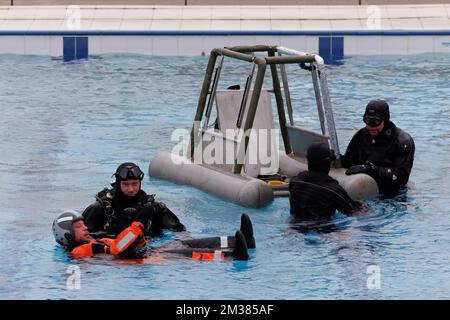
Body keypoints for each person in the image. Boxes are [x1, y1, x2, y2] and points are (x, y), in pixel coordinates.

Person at [53, 210, 254, 261]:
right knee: (187, 254)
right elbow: (116, 249)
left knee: (187, 243)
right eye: (78, 227)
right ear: (67, 235)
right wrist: (137, 225)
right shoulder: (82, 250)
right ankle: (232, 256)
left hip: (146, 252)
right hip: (146, 260)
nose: (85, 227)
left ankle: (237, 239)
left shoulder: (92, 239)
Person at [82, 162, 185, 238]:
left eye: (135, 184)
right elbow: (80, 238)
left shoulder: (153, 207)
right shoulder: (99, 209)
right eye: (126, 184)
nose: (131, 189)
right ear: (118, 184)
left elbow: (181, 233)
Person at [342, 100, 415, 197]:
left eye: (375, 122)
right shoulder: (361, 136)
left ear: (385, 119)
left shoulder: (402, 141)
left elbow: (400, 178)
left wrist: (369, 169)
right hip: (365, 188)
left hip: (395, 194)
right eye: (367, 121)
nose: (371, 127)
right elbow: (350, 164)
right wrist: (334, 158)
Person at [289, 142, 360, 220]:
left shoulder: (295, 182)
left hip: (294, 226)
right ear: (327, 163)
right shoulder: (333, 190)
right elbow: (354, 211)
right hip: (324, 230)